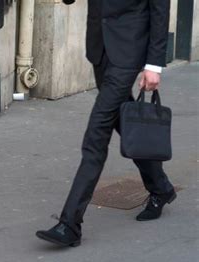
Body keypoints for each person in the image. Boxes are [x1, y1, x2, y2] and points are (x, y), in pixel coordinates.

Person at [36, 0, 176, 247]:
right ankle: (161, 187)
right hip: (100, 47)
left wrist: (154, 65)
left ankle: (70, 224)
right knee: (123, 120)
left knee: (96, 134)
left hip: (129, 50)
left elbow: (160, 10)